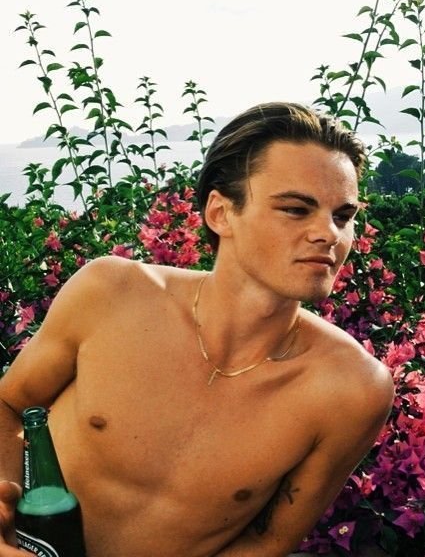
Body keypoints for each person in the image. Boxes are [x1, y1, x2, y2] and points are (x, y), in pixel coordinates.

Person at [0, 102, 394, 557]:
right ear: (220, 213)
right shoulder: (111, 294)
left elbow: (270, 540)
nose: (329, 234)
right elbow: (9, 405)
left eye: (342, 216)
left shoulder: (352, 389)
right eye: (295, 209)